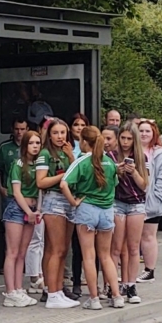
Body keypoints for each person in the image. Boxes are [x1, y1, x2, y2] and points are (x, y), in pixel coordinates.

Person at [61, 126, 123, 310]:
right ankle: (117, 295)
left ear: (84, 143)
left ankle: (94, 299)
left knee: (89, 256)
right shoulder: (110, 162)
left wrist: (73, 202)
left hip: (87, 209)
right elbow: (114, 184)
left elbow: (64, 183)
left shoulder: (82, 160)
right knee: (106, 256)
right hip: (106, 210)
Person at [36, 118, 79, 308]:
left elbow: (79, 174)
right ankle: (52, 293)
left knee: (63, 249)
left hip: (69, 200)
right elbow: (41, 181)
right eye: (56, 133)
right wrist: (64, 175)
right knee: (56, 249)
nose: (60, 137)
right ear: (49, 135)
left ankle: (58, 289)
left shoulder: (67, 151)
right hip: (54, 200)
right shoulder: (45, 153)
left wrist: (71, 158)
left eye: (63, 133)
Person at [2, 131, 42, 307]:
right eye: (32, 143)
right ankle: (10, 291)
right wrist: (29, 211)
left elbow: (41, 188)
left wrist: (38, 210)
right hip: (17, 209)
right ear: (25, 145)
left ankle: (18, 288)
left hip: (33, 209)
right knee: (12, 251)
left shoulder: (40, 164)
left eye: (38, 143)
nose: (35, 146)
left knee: (22, 252)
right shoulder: (18, 164)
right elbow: (16, 192)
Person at [110, 122, 147, 304]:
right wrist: (116, 171)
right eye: (122, 138)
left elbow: (144, 185)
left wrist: (133, 172)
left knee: (133, 247)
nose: (125, 142)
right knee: (116, 247)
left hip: (136, 204)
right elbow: (106, 180)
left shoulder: (140, 158)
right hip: (117, 202)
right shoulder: (111, 156)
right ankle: (113, 285)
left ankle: (131, 285)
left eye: (129, 139)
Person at [137, 120, 162, 284]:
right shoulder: (131, 151)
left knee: (148, 236)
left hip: (152, 204)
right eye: (141, 131)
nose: (144, 134)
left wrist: (155, 200)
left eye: (147, 131)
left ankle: (149, 270)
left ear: (154, 134)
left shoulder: (160, 154)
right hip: (133, 202)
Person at [67, 113, 89, 293]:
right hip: (68, 197)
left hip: (86, 199)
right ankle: (73, 280)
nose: (79, 128)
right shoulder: (66, 146)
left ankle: (89, 280)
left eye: (83, 124)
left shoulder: (90, 148)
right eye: (76, 124)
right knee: (73, 244)